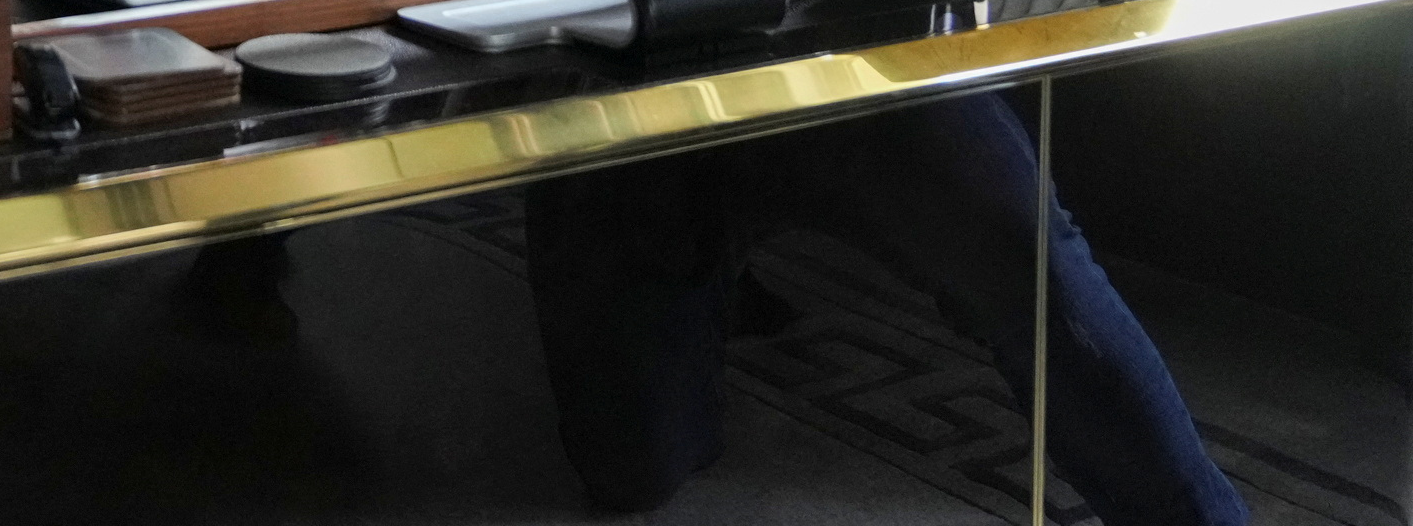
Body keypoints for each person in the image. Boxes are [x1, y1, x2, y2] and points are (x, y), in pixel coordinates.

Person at [524, 92, 1246, 524]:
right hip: (635, 74)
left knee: (1029, 262)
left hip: (845, 41)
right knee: (632, 472)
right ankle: (712, 274)